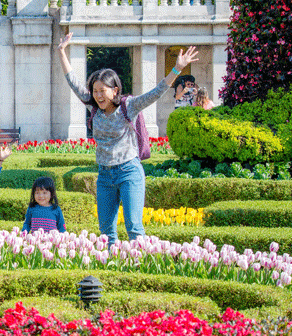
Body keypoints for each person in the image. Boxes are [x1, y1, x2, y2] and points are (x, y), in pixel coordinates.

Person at [58, 32, 198, 247]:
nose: (98, 95)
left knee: (134, 227)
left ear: (114, 90)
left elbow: (156, 92)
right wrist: (61, 51)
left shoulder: (128, 106)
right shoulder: (94, 108)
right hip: (105, 175)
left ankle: (137, 266)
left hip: (129, 171)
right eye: (95, 91)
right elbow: (74, 83)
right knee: (105, 232)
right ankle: (110, 266)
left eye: (102, 90)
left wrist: (177, 69)